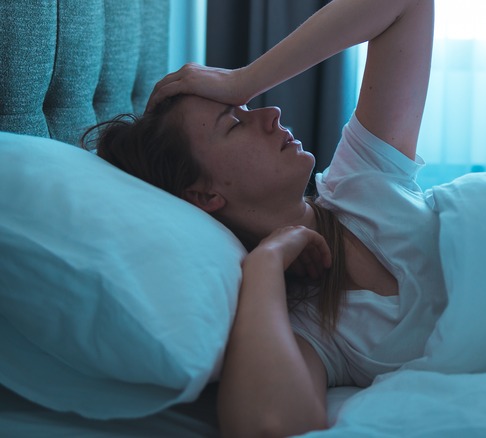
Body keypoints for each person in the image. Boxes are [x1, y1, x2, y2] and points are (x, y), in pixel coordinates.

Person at [83, 1, 440, 436]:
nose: (271, 114)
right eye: (234, 123)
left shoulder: (361, 179)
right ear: (205, 194)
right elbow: (270, 425)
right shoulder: (312, 329)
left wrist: (243, 79)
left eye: (247, 105)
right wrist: (267, 262)